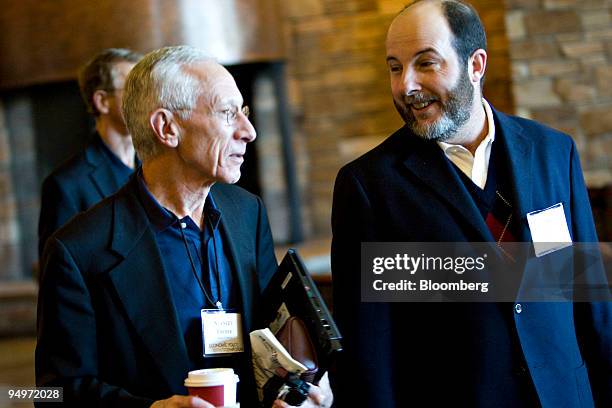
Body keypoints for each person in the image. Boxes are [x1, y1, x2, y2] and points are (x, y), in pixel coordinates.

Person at [330, 1, 611, 407]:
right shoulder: (368, 186)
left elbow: (590, 303)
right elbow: (370, 355)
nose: (406, 85)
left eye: (425, 64)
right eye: (394, 67)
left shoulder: (554, 152)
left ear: (476, 65)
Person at [36, 46, 331, 408]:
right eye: (227, 113)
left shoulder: (247, 212)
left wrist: (303, 386)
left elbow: (273, 334)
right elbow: (50, 394)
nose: (249, 131)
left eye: (246, 113)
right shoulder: (78, 250)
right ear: (167, 128)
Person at [38, 48, 142, 259]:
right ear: (102, 101)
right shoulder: (65, 185)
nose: (147, 99)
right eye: (134, 89)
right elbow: (57, 273)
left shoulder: (155, 166)